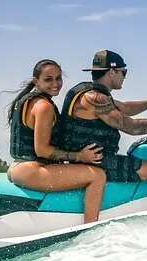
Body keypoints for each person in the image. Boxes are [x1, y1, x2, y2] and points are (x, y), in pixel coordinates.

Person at [56, 50, 147, 206]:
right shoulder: (95, 98)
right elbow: (132, 127)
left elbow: (125, 107)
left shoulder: (91, 93)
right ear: (111, 72)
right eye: (123, 72)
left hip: (94, 158)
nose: (124, 77)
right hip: (93, 160)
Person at [6, 59, 107, 223]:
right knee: (97, 175)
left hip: (17, 168)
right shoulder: (44, 106)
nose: (55, 84)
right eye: (48, 79)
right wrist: (79, 156)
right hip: (31, 171)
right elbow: (42, 150)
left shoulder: (27, 100)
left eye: (58, 78)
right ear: (36, 81)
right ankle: (90, 228)